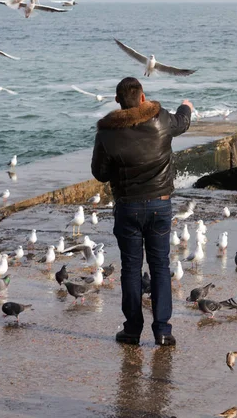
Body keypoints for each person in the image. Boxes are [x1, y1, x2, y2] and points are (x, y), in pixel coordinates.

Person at [91, 76, 192, 346]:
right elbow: (182, 122)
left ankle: (133, 330)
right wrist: (186, 107)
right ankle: (162, 331)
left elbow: (99, 173)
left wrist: (120, 166)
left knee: (131, 268)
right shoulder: (161, 120)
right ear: (143, 97)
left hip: (128, 208)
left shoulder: (106, 133)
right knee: (160, 266)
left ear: (118, 102)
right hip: (159, 204)